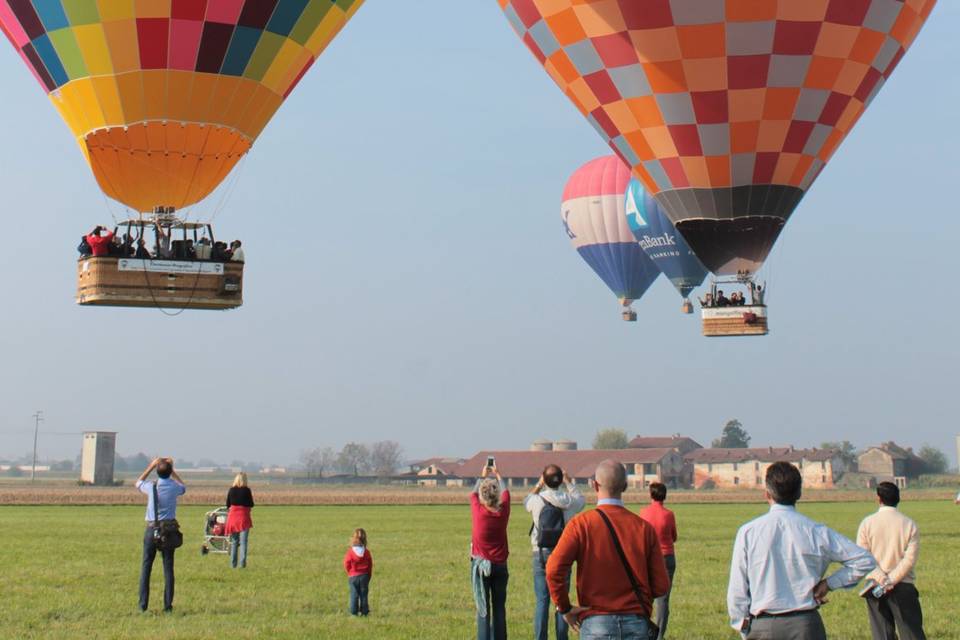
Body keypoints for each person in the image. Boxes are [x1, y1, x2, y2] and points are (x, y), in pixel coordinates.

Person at [727, 461, 876, 639]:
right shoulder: (816, 531)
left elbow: (737, 588)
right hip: (805, 624)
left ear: (767, 494)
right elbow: (864, 560)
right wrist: (829, 583)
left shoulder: (748, 532)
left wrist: (743, 626)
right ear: (799, 493)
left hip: (762, 624)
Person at [546, 460, 670, 640]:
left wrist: (564, 607)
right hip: (636, 622)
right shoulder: (644, 528)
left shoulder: (581, 524)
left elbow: (553, 569)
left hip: (596, 622)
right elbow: (661, 586)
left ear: (595, 485)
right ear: (625, 486)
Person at [856, 482, 926, 640]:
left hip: (875, 587)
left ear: (878, 498)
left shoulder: (867, 523)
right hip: (903, 586)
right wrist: (891, 580)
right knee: (911, 633)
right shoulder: (909, 524)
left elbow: (863, 557)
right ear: (898, 499)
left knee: (882, 634)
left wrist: (882, 579)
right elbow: (909, 559)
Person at [525, 464, 585, 640]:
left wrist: (538, 484)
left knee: (542, 601)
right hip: (562, 553)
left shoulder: (537, 500)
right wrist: (569, 482)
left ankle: (540, 637)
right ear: (560, 480)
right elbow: (581, 499)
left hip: (540, 553)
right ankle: (561, 637)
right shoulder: (569, 501)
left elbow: (526, 500)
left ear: (545, 480)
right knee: (562, 601)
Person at [136, 457, 186, 613]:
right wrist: (172, 469)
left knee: (146, 567)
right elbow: (183, 487)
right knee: (168, 568)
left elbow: (138, 482)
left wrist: (151, 466)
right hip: (168, 531)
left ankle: (143, 605)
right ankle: (167, 605)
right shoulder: (174, 487)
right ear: (170, 472)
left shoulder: (151, 487)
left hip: (152, 529)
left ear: (156, 471)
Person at [471, 462, 510, 640]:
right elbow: (506, 493)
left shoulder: (478, 511)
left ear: (483, 496)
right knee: (499, 608)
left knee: (483, 609)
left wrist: (482, 476)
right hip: (500, 565)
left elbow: (472, 494)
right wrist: (498, 474)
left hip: (480, 566)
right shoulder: (503, 512)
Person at [639, 482, 678, 640]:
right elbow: (674, 536)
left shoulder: (643, 513)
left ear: (651, 495)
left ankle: (645, 631)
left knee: (646, 596)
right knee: (663, 599)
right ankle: (659, 635)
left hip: (648, 557)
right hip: (667, 556)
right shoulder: (669, 515)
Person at [225, 472, 254, 569]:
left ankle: (233, 565)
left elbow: (228, 504)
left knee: (234, 542)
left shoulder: (231, 490)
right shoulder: (247, 490)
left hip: (233, 518)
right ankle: (242, 564)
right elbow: (251, 504)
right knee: (243, 542)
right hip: (243, 518)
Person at [344, 528, 374, 616]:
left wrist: (349, 572)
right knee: (364, 595)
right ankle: (364, 612)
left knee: (354, 594)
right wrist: (369, 575)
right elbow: (370, 564)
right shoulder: (367, 552)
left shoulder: (350, 552)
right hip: (364, 576)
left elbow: (346, 563)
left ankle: (354, 612)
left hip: (353, 576)